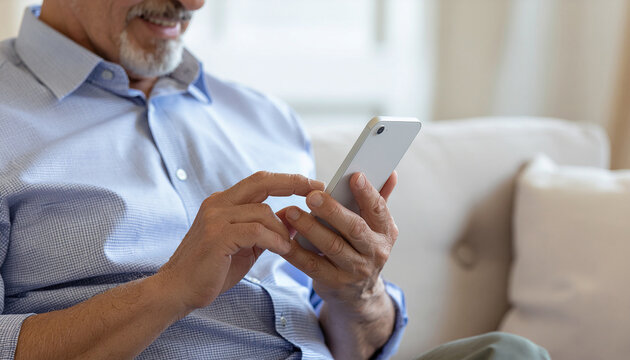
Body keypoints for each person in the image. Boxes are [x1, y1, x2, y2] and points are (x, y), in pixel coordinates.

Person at [0, 1, 549, 359]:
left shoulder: (264, 117)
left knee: (509, 353)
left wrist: (356, 294)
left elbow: (357, 345)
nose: (192, 4)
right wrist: (167, 292)